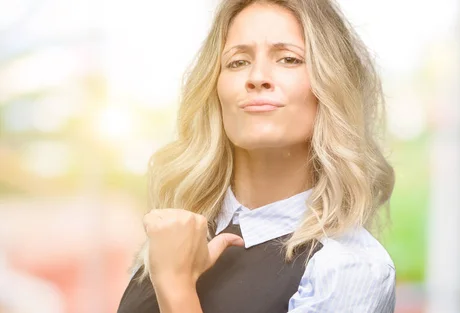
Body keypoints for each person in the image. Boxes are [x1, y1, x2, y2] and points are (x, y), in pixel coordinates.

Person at [117, 0, 396, 312]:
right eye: (237, 62)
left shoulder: (349, 267)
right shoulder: (179, 233)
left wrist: (176, 287)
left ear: (331, 85)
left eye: (289, 59)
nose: (258, 76)